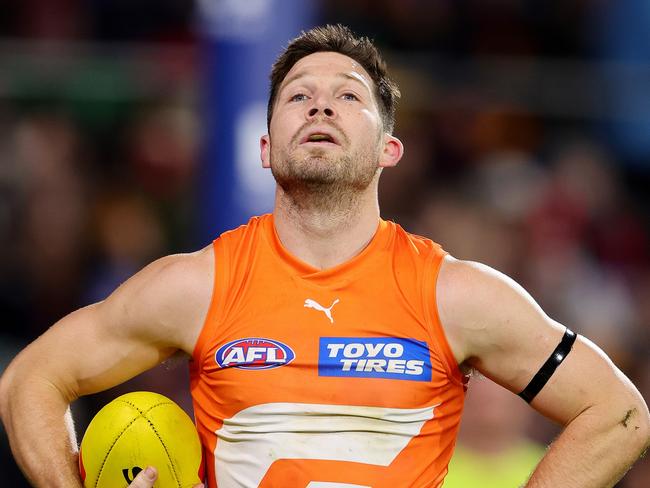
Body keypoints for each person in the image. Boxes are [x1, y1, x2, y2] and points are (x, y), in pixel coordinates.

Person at [1, 24, 649, 488]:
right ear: (264, 147)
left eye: (348, 95)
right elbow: (29, 380)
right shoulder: (196, 287)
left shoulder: (456, 296)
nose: (319, 102)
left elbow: (618, 414)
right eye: (297, 95)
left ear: (388, 150)